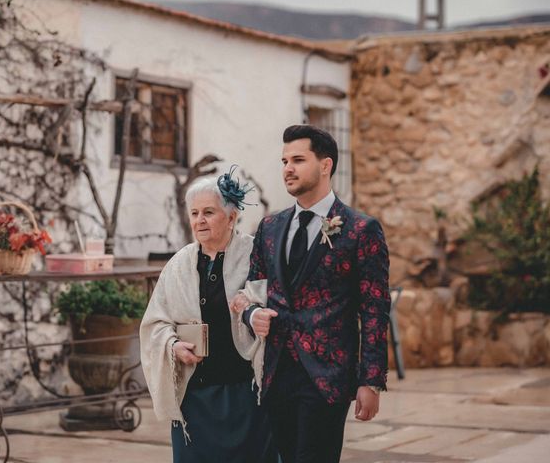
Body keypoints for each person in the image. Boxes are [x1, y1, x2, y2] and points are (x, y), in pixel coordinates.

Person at [234, 124, 390, 463]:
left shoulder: (360, 229)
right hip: (276, 373)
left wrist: (371, 380)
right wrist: (251, 315)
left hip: (327, 376)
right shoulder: (270, 228)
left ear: (325, 165)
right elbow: (251, 291)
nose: (287, 168)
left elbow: (375, 310)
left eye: (298, 160)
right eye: (284, 160)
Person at [139, 169, 276, 463]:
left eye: (209, 212)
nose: (199, 220)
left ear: (231, 217)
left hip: (247, 398)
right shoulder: (179, 264)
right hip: (195, 400)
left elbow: (272, 304)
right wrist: (173, 345)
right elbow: (155, 323)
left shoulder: (256, 255)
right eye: (194, 213)